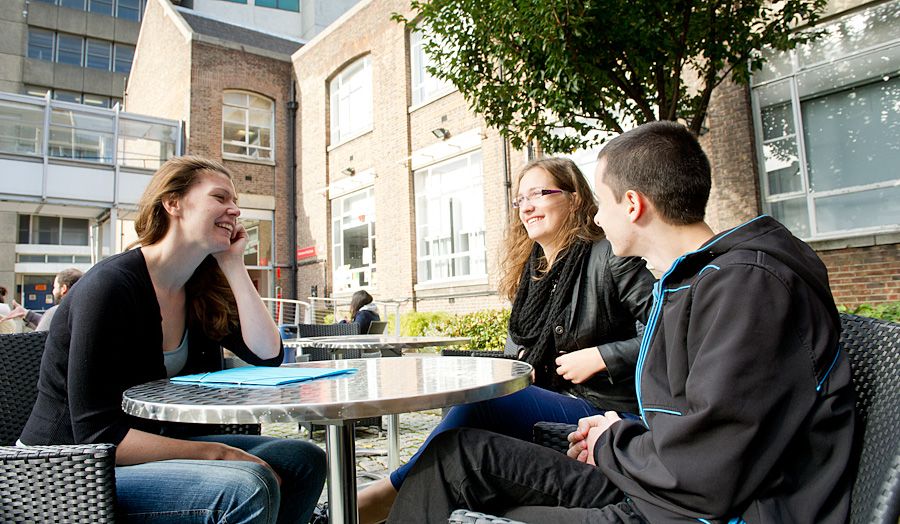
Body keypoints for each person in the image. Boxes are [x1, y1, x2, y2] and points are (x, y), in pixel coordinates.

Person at [386, 121, 854, 523]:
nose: (595, 215)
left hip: (691, 511)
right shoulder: (699, 282)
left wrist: (613, 440)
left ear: (632, 205)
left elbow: (708, 471)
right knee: (458, 457)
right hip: (655, 489)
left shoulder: (748, 286)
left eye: (601, 202)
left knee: (475, 497)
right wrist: (610, 435)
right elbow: (694, 426)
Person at [18, 156, 327, 523]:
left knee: (304, 460)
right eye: (220, 197)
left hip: (142, 446)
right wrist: (220, 455)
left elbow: (267, 353)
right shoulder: (110, 287)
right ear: (173, 202)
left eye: (235, 202)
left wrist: (233, 264)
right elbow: (97, 435)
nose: (235, 209)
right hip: (65, 470)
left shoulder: (198, 286)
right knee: (246, 486)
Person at [357, 157, 655, 523]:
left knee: (486, 404)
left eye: (539, 194)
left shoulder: (609, 254)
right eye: (520, 200)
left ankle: (387, 494)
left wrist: (603, 356)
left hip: (605, 411)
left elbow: (664, 331)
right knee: (475, 411)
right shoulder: (531, 275)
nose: (526, 207)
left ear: (575, 198)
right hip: (554, 400)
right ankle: (414, 496)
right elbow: (517, 353)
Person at [0, 268, 83, 331]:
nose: (53, 291)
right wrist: (26, 314)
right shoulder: (85, 313)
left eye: (55, 287)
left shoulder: (56, 313)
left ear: (63, 289)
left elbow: (42, 333)